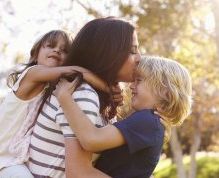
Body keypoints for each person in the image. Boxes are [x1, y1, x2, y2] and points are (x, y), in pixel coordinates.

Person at [0, 30, 109, 178]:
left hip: (19, 161)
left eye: (64, 50)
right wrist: (108, 88)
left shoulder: (51, 89)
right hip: (1, 162)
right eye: (50, 45)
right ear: (35, 55)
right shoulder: (31, 74)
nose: (57, 50)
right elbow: (77, 72)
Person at [26, 17, 141, 177]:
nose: (139, 59)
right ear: (108, 52)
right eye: (132, 51)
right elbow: (78, 174)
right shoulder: (82, 94)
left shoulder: (95, 96)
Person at [54, 56, 193, 178]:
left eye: (139, 81)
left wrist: (64, 97)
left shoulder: (148, 120)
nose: (131, 86)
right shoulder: (151, 122)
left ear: (163, 90)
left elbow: (91, 139)